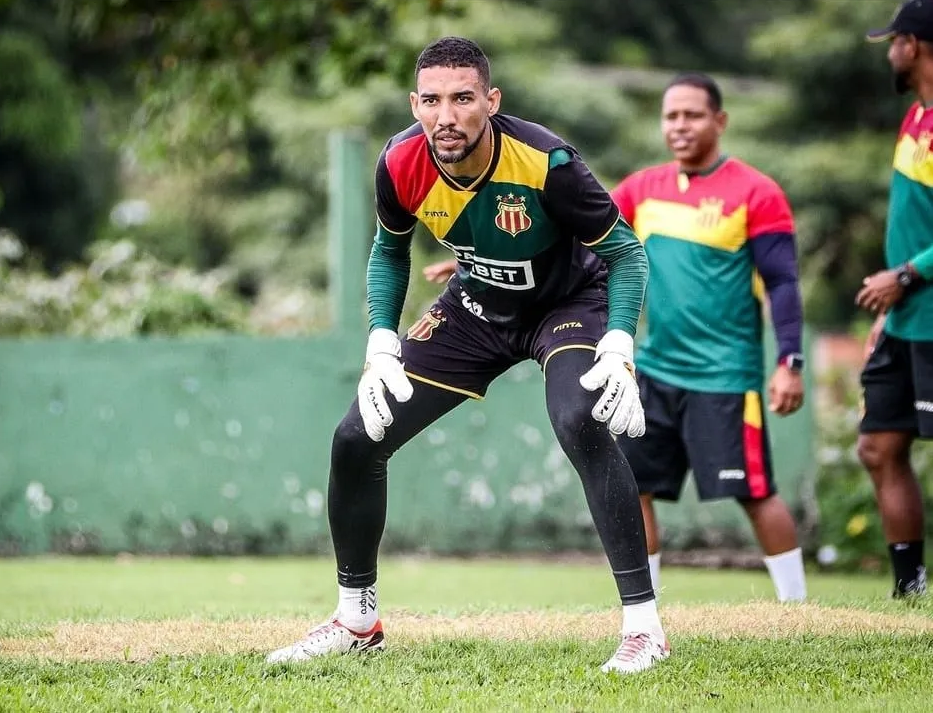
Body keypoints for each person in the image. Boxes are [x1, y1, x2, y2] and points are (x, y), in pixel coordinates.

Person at [266, 36, 670, 674]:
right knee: (355, 438)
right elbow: (389, 251)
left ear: (492, 101)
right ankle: (356, 620)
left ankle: (644, 629)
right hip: (475, 309)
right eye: (431, 100)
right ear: (415, 104)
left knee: (578, 420)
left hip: (566, 306)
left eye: (462, 98)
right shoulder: (399, 162)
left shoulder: (547, 161)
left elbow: (625, 253)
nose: (446, 116)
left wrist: (619, 342)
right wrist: (380, 342)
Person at [609, 73, 809, 603]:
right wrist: (480, 261)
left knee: (755, 493)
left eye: (692, 115)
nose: (679, 126)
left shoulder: (756, 192)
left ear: (719, 121)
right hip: (653, 371)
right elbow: (578, 232)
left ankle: (798, 609)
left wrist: (790, 361)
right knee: (632, 487)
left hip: (725, 377)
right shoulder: (639, 190)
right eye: (670, 115)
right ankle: (641, 609)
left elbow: (784, 283)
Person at [859, 0, 933, 599]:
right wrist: (891, 306)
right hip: (904, 319)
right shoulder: (916, 118)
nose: (890, 51)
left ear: (915, 45)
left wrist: (903, 277)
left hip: (925, 310)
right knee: (879, 446)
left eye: (894, 40)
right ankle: (910, 590)